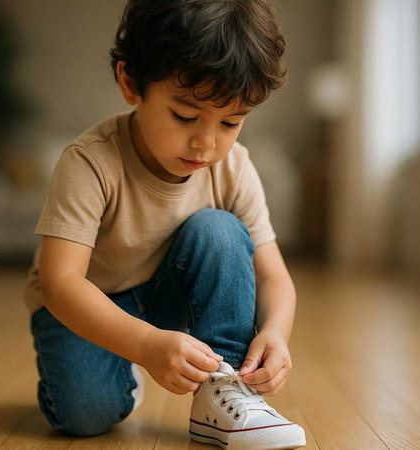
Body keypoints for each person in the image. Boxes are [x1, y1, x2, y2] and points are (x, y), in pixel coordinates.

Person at [23, 1, 306, 448]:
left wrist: (275, 333)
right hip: (90, 306)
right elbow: (60, 284)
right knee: (85, 415)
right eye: (185, 116)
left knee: (221, 230)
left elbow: (273, 273)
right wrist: (145, 345)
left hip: (170, 292)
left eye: (231, 122)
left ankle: (225, 392)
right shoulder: (90, 162)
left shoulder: (233, 166)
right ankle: (119, 371)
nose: (207, 142)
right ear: (131, 83)